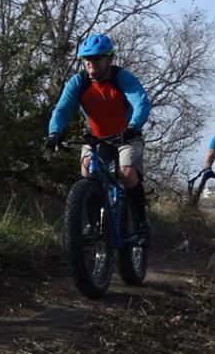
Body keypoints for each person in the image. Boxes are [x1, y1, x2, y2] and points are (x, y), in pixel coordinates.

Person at [46, 33, 152, 245]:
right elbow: (62, 110)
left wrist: (133, 126)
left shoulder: (121, 78)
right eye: (86, 59)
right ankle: (94, 223)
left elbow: (141, 102)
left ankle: (141, 224)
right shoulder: (79, 82)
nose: (90, 63)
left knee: (127, 173)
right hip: (97, 138)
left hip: (127, 137)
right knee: (88, 172)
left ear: (109, 59)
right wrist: (55, 132)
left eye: (96, 58)